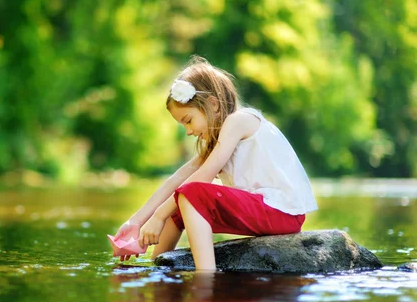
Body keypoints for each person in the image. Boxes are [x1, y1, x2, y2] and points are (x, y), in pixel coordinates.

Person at [113, 56, 318, 271]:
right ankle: (158, 268)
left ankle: (205, 276)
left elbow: (203, 177)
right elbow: (176, 179)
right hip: (262, 210)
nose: (189, 131)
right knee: (180, 206)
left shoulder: (240, 121)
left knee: (191, 194)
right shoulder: (220, 140)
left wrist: (158, 216)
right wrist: (136, 222)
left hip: (281, 212)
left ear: (213, 104)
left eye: (188, 121)